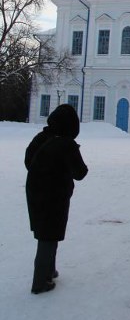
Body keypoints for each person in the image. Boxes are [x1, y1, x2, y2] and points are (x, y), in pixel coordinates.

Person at [25, 104, 88, 294]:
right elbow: (80, 172)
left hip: (35, 190)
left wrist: (43, 172)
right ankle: (40, 283)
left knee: (46, 233)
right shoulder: (66, 144)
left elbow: (28, 160)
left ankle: (49, 271)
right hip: (55, 195)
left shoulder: (42, 137)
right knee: (49, 235)